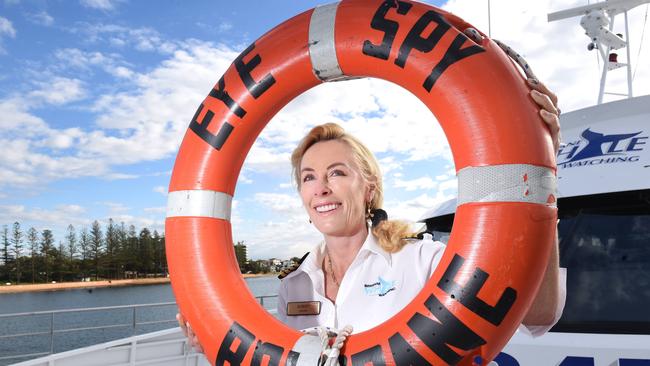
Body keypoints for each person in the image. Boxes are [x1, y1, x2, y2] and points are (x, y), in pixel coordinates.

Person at [178, 77, 565, 350]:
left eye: (337, 173)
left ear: (370, 189)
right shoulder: (293, 285)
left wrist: (542, 180)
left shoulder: (421, 261)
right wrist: (214, 342)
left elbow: (537, 314)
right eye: (309, 178)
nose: (321, 188)